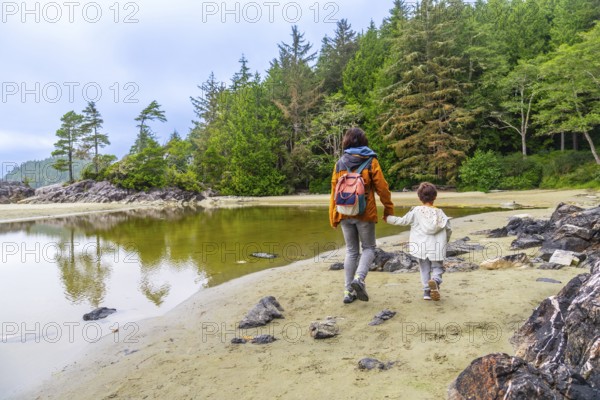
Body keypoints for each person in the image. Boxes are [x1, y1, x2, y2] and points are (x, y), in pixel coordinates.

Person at [329, 127, 395, 304]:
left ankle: (347, 291)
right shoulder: (371, 161)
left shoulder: (340, 163)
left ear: (347, 141)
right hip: (364, 213)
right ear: (363, 141)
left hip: (344, 212)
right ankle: (359, 278)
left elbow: (334, 192)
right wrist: (388, 208)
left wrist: (333, 216)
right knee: (369, 248)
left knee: (351, 251)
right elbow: (382, 188)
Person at [385, 182, 452, 301]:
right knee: (437, 267)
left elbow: (403, 221)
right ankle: (435, 281)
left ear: (419, 197)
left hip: (420, 247)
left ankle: (427, 292)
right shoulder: (441, 214)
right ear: (435, 197)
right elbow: (449, 230)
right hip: (436, 247)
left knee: (424, 268)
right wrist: (445, 242)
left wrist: (388, 218)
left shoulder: (416, 211)